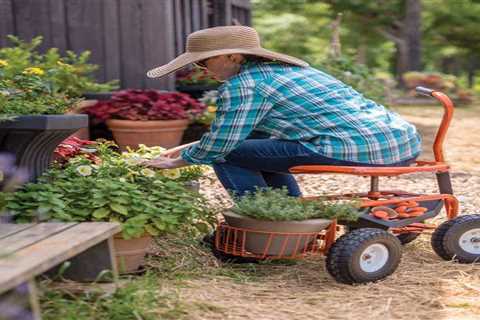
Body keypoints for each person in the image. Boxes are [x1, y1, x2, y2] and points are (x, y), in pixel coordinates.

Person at [143, 26, 421, 197]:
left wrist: (175, 162)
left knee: (229, 154)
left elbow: (223, 145)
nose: (201, 69)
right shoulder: (291, 71)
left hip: (358, 149)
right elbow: (249, 134)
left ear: (234, 56)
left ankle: (267, 221)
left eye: (204, 62)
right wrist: (188, 148)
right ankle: (289, 213)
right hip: (401, 142)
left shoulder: (245, 85)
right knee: (251, 149)